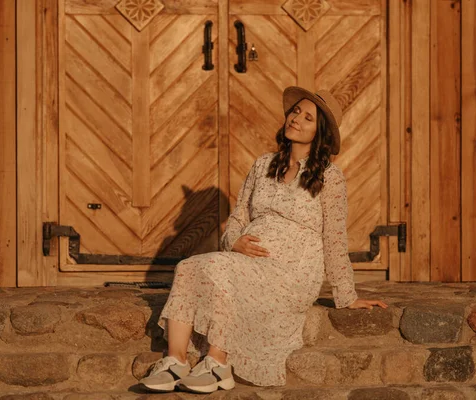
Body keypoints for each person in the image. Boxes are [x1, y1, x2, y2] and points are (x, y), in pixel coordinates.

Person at [140, 86, 388, 394]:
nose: (296, 119)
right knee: (189, 266)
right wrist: (233, 241)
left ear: (319, 132)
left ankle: (217, 363)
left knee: (219, 271)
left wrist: (346, 295)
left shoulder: (329, 176)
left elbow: (335, 237)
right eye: (295, 111)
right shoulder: (263, 164)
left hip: (294, 271)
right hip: (250, 261)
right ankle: (175, 361)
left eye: (307, 117)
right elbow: (239, 217)